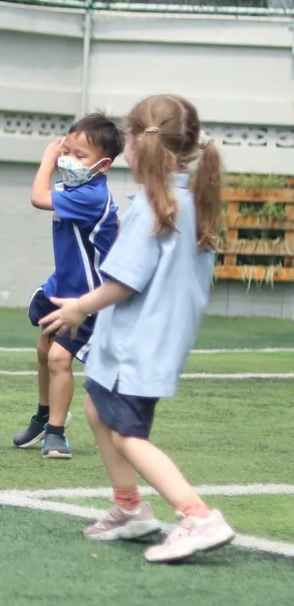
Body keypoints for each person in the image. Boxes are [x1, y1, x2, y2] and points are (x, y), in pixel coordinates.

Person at [43, 94, 234, 564]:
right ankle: (130, 509)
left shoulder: (154, 206)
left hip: (137, 345)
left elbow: (125, 280)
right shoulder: (189, 201)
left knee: (129, 434)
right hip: (152, 342)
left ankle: (198, 516)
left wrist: (78, 308)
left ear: (138, 144)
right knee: (95, 408)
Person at [12, 113, 123, 459]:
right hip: (60, 289)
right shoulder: (74, 188)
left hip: (88, 298)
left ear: (103, 165)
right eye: (67, 151)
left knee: (60, 358)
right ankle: (45, 416)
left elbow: (38, 197)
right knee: (45, 351)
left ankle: (57, 433)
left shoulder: (89, 196)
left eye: (80, 156)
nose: (68, 161)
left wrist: (47, 160)